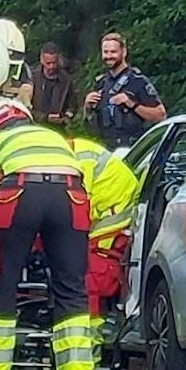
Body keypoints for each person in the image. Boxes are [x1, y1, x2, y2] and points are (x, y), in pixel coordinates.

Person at [0, 100, 95, 370]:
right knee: (71, 285)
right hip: (70, 195)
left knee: (3, 284)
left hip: (17, 194)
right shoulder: (54, 138)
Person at [67, 132, 142, 324]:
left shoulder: (74, 160)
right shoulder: (73, 152)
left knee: (92, 275)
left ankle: (91, 333)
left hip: (112, 216)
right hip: (109, 210)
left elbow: (78, 203)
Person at [83, 32, 166, 148]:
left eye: (113, 52)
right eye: (106, 52)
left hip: (133, 149)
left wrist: (131, 104)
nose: (109, 56)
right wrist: (87, 107)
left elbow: (160, 115)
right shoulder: (101, 84)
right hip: (106, 149)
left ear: (124, 52)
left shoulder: (138, 81)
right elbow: (91, 127)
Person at [25, 42, 80, 126]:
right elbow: (25, 106)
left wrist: (66, 118)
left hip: (58, 128)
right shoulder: (32, 78)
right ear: (41, 60)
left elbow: (73, 105)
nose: (51, 66)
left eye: (54, 63)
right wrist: (45, 118)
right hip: (35, 126)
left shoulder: (66, 80)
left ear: (58, 60)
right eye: (48, 63)